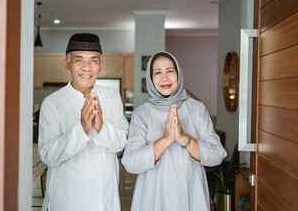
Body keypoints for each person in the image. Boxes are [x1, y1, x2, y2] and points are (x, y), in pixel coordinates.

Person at [122, 51, 227, 211]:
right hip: (153, 200)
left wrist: (184, 139)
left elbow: (217, 155)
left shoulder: (197, 109)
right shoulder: (142, 114)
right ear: (151, 79)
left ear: (178, 74)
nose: (165, 77)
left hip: (192, 197)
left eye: (170, 71)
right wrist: (166, 139)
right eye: (158, 72)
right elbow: (130, 163)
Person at [38, 33, 128, 211]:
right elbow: (48, 155)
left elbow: (121, 144)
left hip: (105, 200)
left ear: (100, 66)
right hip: (68, 201)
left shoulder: (111, 97)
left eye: (93, 61)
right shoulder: (53, 103)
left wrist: (101, 127)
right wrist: (82, 130)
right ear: (67, 65)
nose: (87, 68)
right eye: (79, 60)